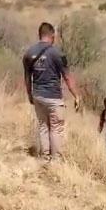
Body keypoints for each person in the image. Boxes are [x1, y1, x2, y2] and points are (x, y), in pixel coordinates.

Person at [23, 22, 80, 162]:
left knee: (43, 126)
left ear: (40, 34)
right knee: (56, 128)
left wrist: (30, 94)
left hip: (37, 95)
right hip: (53, 97)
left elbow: (26, 77)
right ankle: (56, 161)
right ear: (52, 35)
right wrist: (76, 95)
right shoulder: (57, 54)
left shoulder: (29, 53)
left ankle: (44, 157)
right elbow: (67, 76)